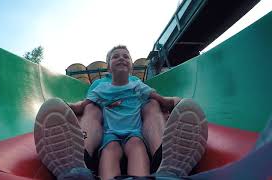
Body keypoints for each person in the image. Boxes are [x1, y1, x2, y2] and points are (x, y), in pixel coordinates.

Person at [34, 45, 208, 180]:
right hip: (108, 132)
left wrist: (172, 102)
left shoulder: (138, 84)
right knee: (108, 145)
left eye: (126, 56)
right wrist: (67, 106)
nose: (121, 59)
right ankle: (80, 161)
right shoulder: (100, 86)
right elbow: (84, 105)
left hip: (137, 131)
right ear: (108, 67)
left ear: (132, 66)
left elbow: (158, 97)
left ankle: (162, 161)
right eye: (115, 57)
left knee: (138, 140)